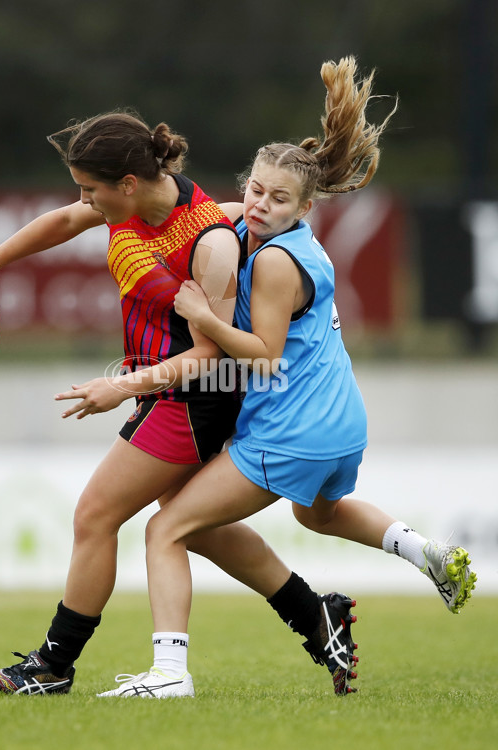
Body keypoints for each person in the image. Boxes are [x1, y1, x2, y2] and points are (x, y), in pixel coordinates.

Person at [97, 57, 476, 699]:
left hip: (292, 427)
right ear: (246, 187)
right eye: (255, 192)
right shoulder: (262, 229)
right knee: (317, 515)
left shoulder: (274, 260)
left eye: (277, 200)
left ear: (305, 207)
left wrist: (199, 316)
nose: (261, 206)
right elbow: (177, 214)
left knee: (167, 528)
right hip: (339, 421)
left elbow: (265, 357)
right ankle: (424, 552)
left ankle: (169, 675)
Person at [0, 110, 358, 697]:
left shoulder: (211, 241)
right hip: (161, 389)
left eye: (91, 190)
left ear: (128, 182)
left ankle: (54, 666)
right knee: (196, 529)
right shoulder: (123, 207)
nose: (85, 203)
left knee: (96, 514)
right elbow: (64, 221)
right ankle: (315, 615)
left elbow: (212, 354)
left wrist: (118, 388)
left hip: (193, 399)